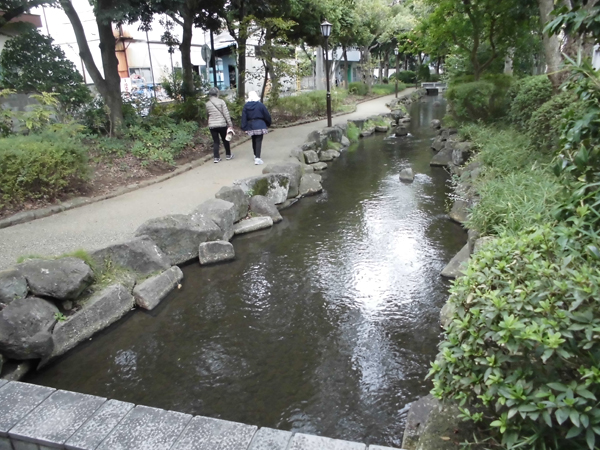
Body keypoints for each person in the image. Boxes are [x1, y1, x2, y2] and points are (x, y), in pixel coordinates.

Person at [241, 91, 272, 165]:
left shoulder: (246, 106)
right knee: (258, 140)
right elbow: (266, 115)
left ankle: (255, 155)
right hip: (260, 124)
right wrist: (268, 123)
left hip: (250, 125)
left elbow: (244, 118)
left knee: (253, 140)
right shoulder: (260, 105)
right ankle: (258, 158)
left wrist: (244, 127)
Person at [206, 87, 234, 163]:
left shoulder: (207, 103)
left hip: (212, 125)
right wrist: (230, 123)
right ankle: (228, 155)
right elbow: (226, 113)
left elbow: (207, 114)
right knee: (225, 139)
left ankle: (216, 157)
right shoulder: (221, 102)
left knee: (216, 141)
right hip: (222, 124)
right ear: (217, 93)